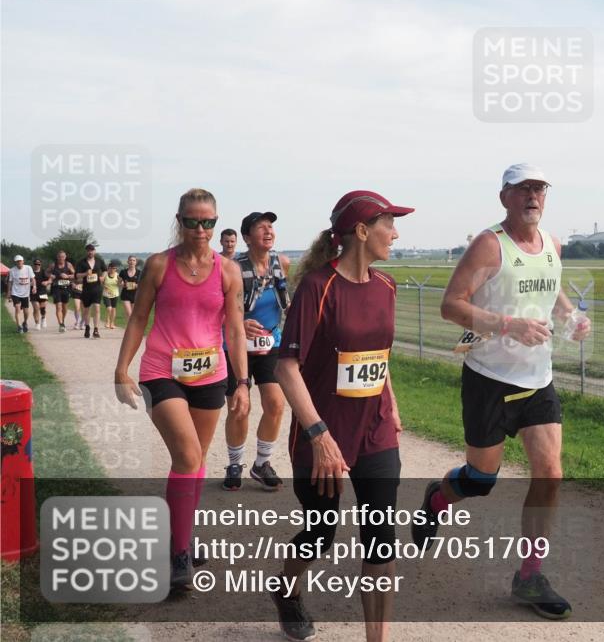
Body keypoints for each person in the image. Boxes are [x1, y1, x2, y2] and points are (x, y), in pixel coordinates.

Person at [411, 163, 590, 620]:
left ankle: (530, 575)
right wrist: (508, 325)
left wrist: (571, 315)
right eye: (523, 188)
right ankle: (437, 497)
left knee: (550, 472)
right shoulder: (490, 245)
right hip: (489, 378)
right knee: (481, 480)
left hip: (538, 380)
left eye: (540, 188)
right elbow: (451, 305)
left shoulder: (552, 244)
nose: (533, 196)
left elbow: (549, 290)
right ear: (504, 197)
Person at [271, 190, 411, 642]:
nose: (395, 232)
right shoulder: (318, 287)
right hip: (324, 431)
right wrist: (318, 434)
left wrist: (392, 406)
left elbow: (380, 355)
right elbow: (286, 367)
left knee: (380, 534)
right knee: (321, 531)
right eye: (389, 223)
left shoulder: (386, 286)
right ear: (362, 231)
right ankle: (286, 589)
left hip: (375, 430)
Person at [113, 188, 249, 592]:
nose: (202, 229)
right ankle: (178, 556)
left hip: (211, 373)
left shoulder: (228, 271)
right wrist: (121, 368)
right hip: (162, 370)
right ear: (180, 221)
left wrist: (242, 382)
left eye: (209, 221)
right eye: (193, 221)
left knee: (196, 461)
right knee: (188, 456)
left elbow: (235, 329)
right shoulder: (158, 265)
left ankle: (181, 537)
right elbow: (138, 318)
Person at [222, 211, 292, 492]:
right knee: (240, 407)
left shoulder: (282, 263)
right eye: (260, 227)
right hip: (236, 345)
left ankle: (262, 463)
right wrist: (238, 322)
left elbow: (287, 303)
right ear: (247, 237)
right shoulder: (231, 267)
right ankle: (234, 463)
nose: (268, 230)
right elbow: (216, 309)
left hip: (270, 344)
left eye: (271, 225)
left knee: (275, 404)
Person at [77, 244, 107, 338]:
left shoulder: (99, 261)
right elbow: (77, 275)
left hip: (97, 288)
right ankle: (87, 327)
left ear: (95, 251)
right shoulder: (81, 262)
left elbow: (105, 270)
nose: (90, 252)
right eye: (88, 250)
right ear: (86, 252)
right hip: (86, 289)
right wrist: (85, 273)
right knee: (86, 310)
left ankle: (96, 330)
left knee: (97, 308)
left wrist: (103, 276)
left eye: (92, 250)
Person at [48, 251, 75, 333]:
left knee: (64, 307)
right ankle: (61, 324)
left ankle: (62, 321)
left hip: (66, 287)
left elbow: (75, 274)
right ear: (57, 257)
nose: (61, 258)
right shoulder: (53, 265)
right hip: (56, 288)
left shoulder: (69, 265)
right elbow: (46, 272)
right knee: (58, 306)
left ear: (65, 257)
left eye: (63, 256)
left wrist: (68, 276)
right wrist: (50, 275)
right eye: (59, 257)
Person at [7, 255, 36, 333]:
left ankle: (25, 322)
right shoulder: (12, 270)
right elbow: (10, 282)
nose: (19, 262)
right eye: (17, 261)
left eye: (20, 261)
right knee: (17, 308)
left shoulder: (28, 268)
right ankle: (19, 326)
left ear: (23, 261)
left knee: (26, 311)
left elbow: (33, 279)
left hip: (25, 293)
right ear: (15, 262)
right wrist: (9, 292)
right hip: (15, 292)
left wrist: (34, 287)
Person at [30, 258, 51, 330]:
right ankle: (37, 323)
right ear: (33, 265)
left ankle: (43, 317)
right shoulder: (31, 272)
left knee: (42, 307)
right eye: (35, 264)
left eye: (38, 264)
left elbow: (51, 279)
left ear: (40, 264)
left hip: (42, 292)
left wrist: (47, 282)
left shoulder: (44, 272)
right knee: (36, 308)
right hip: (33, 292)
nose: (37, 265)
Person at [120, 255, 142, 320]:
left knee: (134, 315)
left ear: (136, 262)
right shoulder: (123, 272)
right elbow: (119, 282)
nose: (132, 262)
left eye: (133, 260)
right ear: (128, 262)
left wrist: (136, 285)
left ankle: (130, 328)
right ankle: (130, 329)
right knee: (129, 314)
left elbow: (143, 284)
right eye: (130, 260)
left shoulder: (140, 273)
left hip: (136, 295)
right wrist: (122, 284)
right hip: (125, 295)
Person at [103, 262, 122, 329]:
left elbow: (120, 285)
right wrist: (104, 286)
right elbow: (101, 282)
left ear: (116, 269)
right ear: (108, 268)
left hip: (115, 294)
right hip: (106, 294)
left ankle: (112, 323)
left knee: (113, 309)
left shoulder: (117, 275)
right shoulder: (105, 274)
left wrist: (119, 282)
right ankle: (107, 321)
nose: (112, 270)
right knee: (109, 308)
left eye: (114, 268)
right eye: (110, 268)